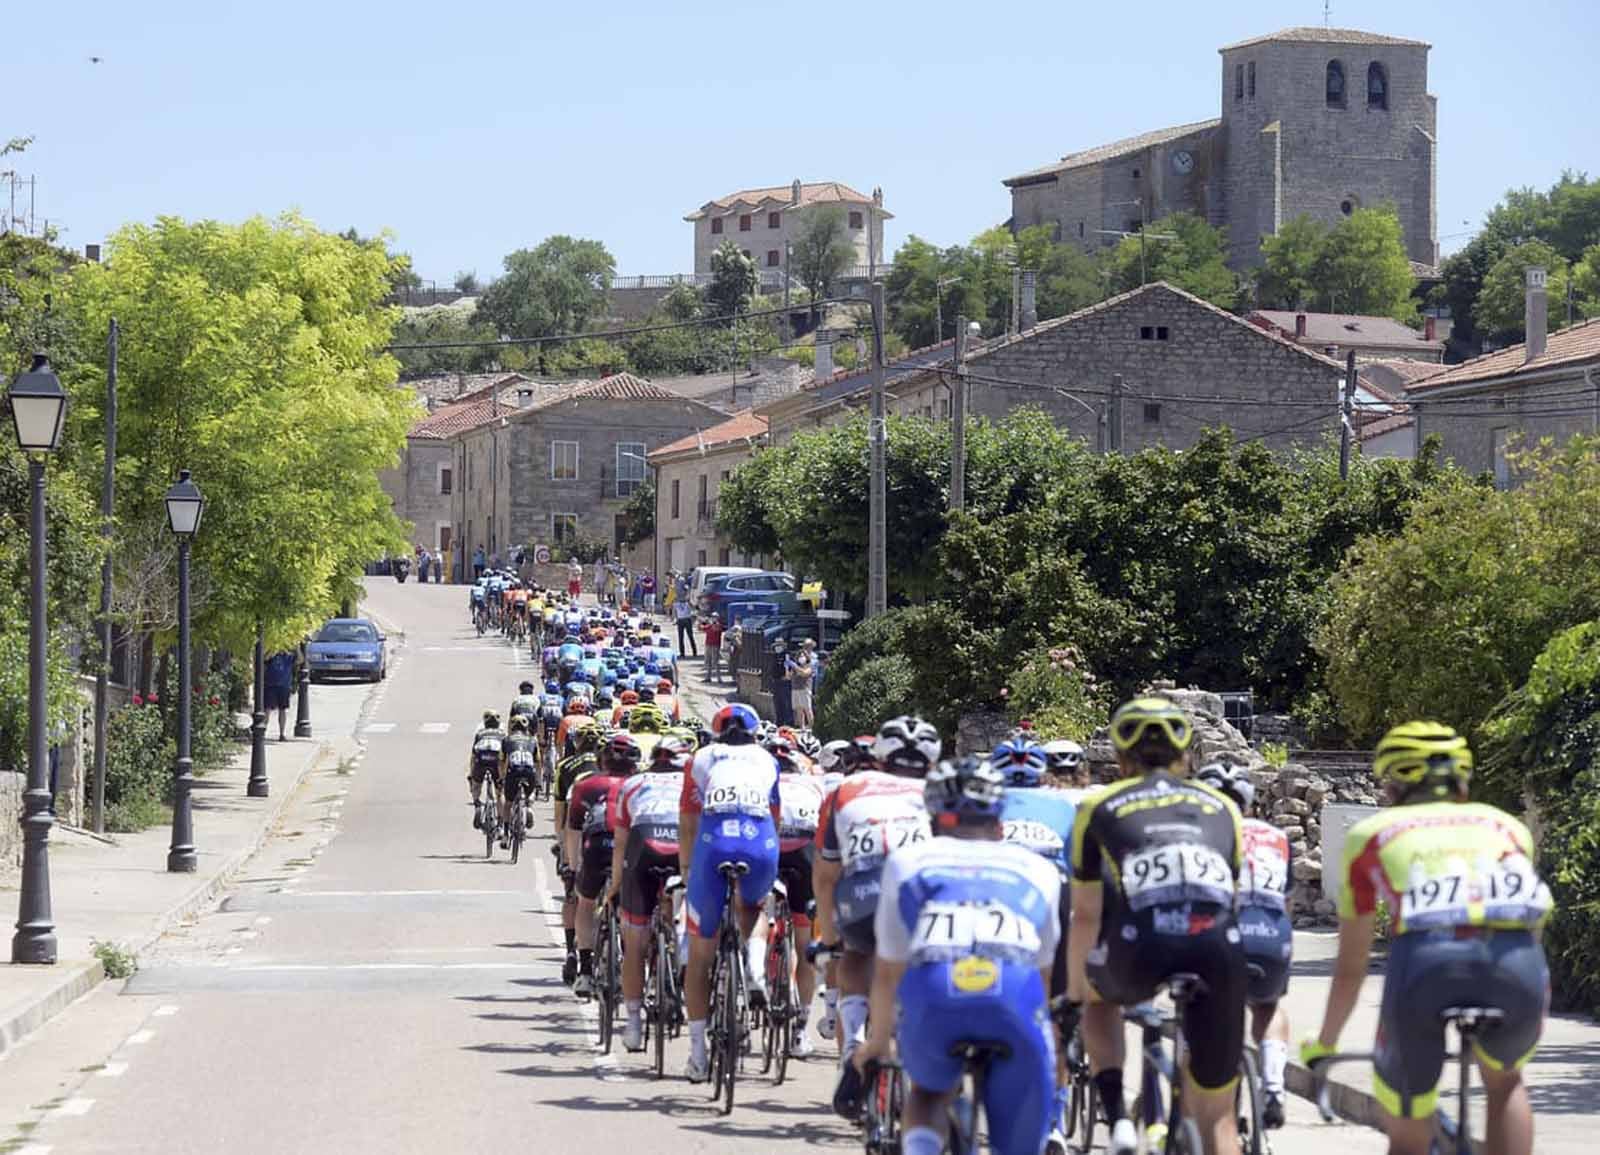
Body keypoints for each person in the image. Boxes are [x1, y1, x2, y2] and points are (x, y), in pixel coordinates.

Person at [1302, 722, 1552, 1155]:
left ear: (1394, 781)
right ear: (1461, 776)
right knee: (1507, 1082)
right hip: (1515, 961)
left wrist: (1325, 1042)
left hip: (1426, 963)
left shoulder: (1371, 835)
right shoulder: (1508, 828)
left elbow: (1351, 965)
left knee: (1409, 1122)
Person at [853, 756, 1062, 1155]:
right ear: (999, 820)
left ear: (934, 818)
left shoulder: (908, 861)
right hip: (1015, 997)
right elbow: (1045, 976)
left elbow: (887, 971)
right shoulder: (1039, 869)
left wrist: (878, 1041)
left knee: (930, 1093)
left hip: (936, 992)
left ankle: (920, 1146)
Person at [1067, 697, 1246, 1155]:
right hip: (1217, 948)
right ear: (1187, 755)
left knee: (1097, 1003)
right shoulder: (1224, 807)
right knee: (1219, 1114)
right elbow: (1231, 897)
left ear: (1121, 758)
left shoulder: (1098, 806)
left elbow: (1085, 915)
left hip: (1139, 945)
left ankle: (1118, 1119)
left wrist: (1072, 994)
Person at [815, 715, 939, 1118]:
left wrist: (830, 938)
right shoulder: (941, 792)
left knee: (854, 954)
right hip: (921, 897)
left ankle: (853, 1040)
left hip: (863, 894)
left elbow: (826, 874)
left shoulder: (845, 789)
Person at [677, 702, 781, 1082]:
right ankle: (755, 967)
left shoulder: (701, 757)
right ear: (754, 734)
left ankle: (698, 1054)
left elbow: (688, 821)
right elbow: (776, 815)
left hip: (713, 841)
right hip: (760, 841)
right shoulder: (768, 760)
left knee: (701, 953)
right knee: (754, 908)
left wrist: (687, 871)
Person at [1187, 760, 1292, 1131]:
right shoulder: (1276, 836)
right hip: (1272, 932)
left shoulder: (1198, 831)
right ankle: (1274, 1086)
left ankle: (1214, 1101)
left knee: (1206, 1012)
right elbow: (1286, 894)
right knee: (1268, 1005)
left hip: (1221, 930)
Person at [606, 732, 693, 1052]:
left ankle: (632, 1022)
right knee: (690, 919)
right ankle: (681, 951)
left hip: (644, 845)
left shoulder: (632, 784)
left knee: (635, 944)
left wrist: (614, 887)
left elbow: (619, 845)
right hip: (681, 848)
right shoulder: (694, 784)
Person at [568, 732, 635, 998]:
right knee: (637, 908)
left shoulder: (586, 785)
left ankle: (585, 972)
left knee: (585, 903)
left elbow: (572, 829)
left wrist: (572, 868)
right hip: (629, 848)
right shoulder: (640, 784)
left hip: (595, 846)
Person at [499, 715, 540, 840]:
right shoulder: (533, 740)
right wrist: (538, 781)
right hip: (529, 772)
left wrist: (501, 778)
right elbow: (538, 762)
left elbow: (501, 761)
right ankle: (528, 807)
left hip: (513, 772)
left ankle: (505, 834)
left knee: (508, 803)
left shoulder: (506, 740)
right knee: (531, 791)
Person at [467, 710, 507, 832]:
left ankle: (477, 803)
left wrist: (471, 773)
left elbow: (473, 756)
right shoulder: (502, 734)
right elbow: (505, 757)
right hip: (496, 761)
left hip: (481, 759)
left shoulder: (480, 733)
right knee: (500, 793)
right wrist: (503, 776)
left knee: (476, 783)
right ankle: (500, 822)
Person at [263, 649, 297, 741]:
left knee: (283, 710)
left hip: (284, 686)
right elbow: (265, 659)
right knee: (267, 709)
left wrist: (298, 647)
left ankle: (282, 734)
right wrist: (274, 649)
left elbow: (301, 660)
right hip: (270, 685)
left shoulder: (289, 656)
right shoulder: (273, 655)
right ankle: (262, 732)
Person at [786, 639, 817, 730]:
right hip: (795, 689)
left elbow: (804, 673)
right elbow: (788, 677)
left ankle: (811, 727)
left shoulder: (810, 665)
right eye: (800, 655)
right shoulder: (795, 666)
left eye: (803, 655)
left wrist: (795, 667)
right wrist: (787, 668)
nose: (801, 657)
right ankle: (802, 727)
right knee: (799, 709)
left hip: (805, 689)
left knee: (807, 709)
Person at [702, 613, 724, 683]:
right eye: (712, 617)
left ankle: (719, 678)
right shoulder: (710, 625)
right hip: (708, 644)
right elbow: (701, 628)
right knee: (708, 661)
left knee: (716, 662)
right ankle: (708, 677)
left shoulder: (718, 625)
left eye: (715, 617)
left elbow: (715, 629)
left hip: (715, 645)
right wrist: (701, 621)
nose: (713, 618)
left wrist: (709, 623)